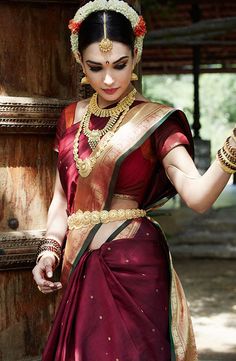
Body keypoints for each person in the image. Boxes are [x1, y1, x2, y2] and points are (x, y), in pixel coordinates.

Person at [32, 1, 236, 360]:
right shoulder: (68, 119)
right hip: (77, 265)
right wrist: (49, 249)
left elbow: (199, 197)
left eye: (120, 65)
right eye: (95, 67)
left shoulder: (158, 121)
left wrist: (231, 150)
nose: (108, 79)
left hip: (135, 268)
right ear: (80, 62)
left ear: (136, 54)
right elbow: (61, 200)